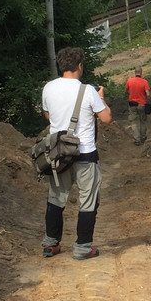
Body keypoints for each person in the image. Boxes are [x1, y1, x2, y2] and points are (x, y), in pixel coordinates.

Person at [40, 46, 112, 260]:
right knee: (88, 201)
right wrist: (102, 98)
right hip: (85, 154)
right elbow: (106, 118)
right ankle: (82, 247)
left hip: (58, 154)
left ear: (61, 66)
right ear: (79, 66)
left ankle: (51, 244)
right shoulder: (88, 91)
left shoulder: (48, 88)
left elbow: (48, 114)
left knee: (55, 199)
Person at [124, 66, 151, 144]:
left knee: (134, 122)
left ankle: (137, 139)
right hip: (142, 103)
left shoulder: (129, 81)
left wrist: (131, 94)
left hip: (132, 103)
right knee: (143, 120)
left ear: (135, 73)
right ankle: (143, 137)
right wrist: (150, 100)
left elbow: (125, 91)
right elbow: (148, 94)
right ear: (141, 73)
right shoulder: (144, 82)